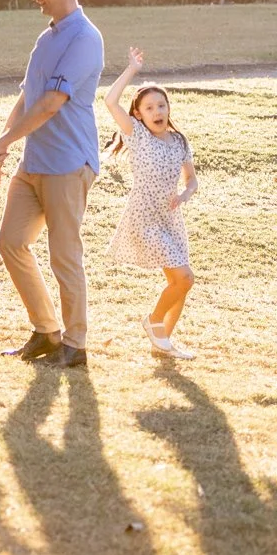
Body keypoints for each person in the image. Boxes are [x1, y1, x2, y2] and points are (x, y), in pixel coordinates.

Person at [0, 0, 105, 370]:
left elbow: (53, 103)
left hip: (69, 165)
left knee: (64, 256)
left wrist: (4, 140)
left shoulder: (85, 39)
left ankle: (75, 345)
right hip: (34, 164)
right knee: (11, 242)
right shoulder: (47, 38)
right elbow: (28, 97)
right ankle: (46, 331)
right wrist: (1, 151)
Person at [104, 48, 198, 358]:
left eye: (161, 104)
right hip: (144, 218)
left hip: (170, 219)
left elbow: (191, 180)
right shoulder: (138, 135)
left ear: (168, 108)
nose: (157, 111)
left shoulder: (180, 142)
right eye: (149, 107)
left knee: (180, 283)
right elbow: (110, 101)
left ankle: (163, 341)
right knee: (185, 277)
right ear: (139, 115)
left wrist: (184, 195)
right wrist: (131, 69)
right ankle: (154, 321)